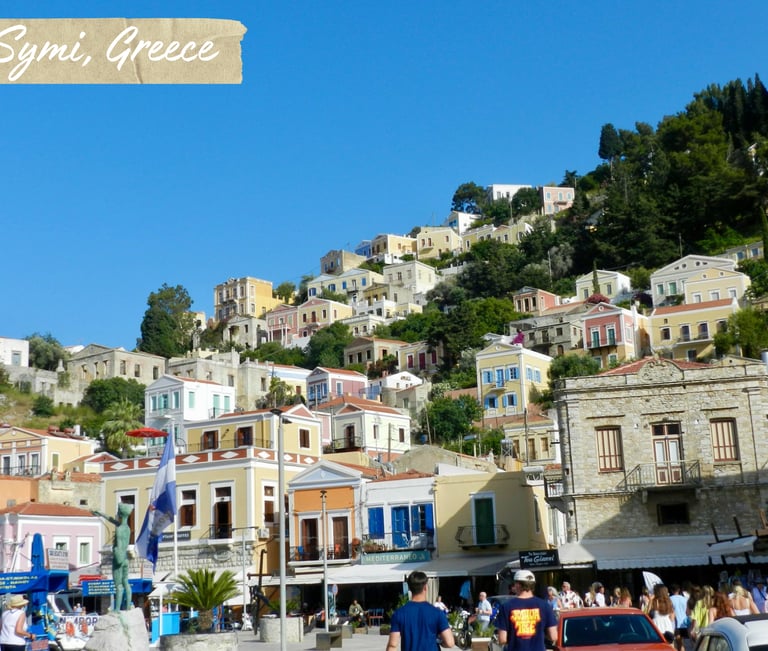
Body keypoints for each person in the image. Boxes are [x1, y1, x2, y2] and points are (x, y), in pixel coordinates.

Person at [387, 571, 454, 651]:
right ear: (425, 587)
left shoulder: (399, 614)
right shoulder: (437, 613)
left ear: (409, 588)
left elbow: (392, 645)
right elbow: (450, 643)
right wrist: (440, 642)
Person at [495, 570, 557, 651]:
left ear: (518, 585)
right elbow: (553, 636)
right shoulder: (545, 606)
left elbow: (502, 639)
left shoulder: (506, 607)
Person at [93, 502, 135, 611]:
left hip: (119, 558)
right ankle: (128, 607)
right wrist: (101, 514)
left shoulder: (119, 529)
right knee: (126, 582)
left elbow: (119, 546)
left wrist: (115, 553)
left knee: (118, 586)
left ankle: (117, 609)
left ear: (120, 513)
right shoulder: (126, 528)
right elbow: (111, 520)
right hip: (125, 558)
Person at [669, 584, 689, 651]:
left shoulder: (670, 599)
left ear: (671, 590)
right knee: (681, 643)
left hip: (675, 623)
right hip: (684, 623)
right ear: (679, 590)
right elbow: (687, 611)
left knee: (677, 644)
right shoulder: (684, 599)